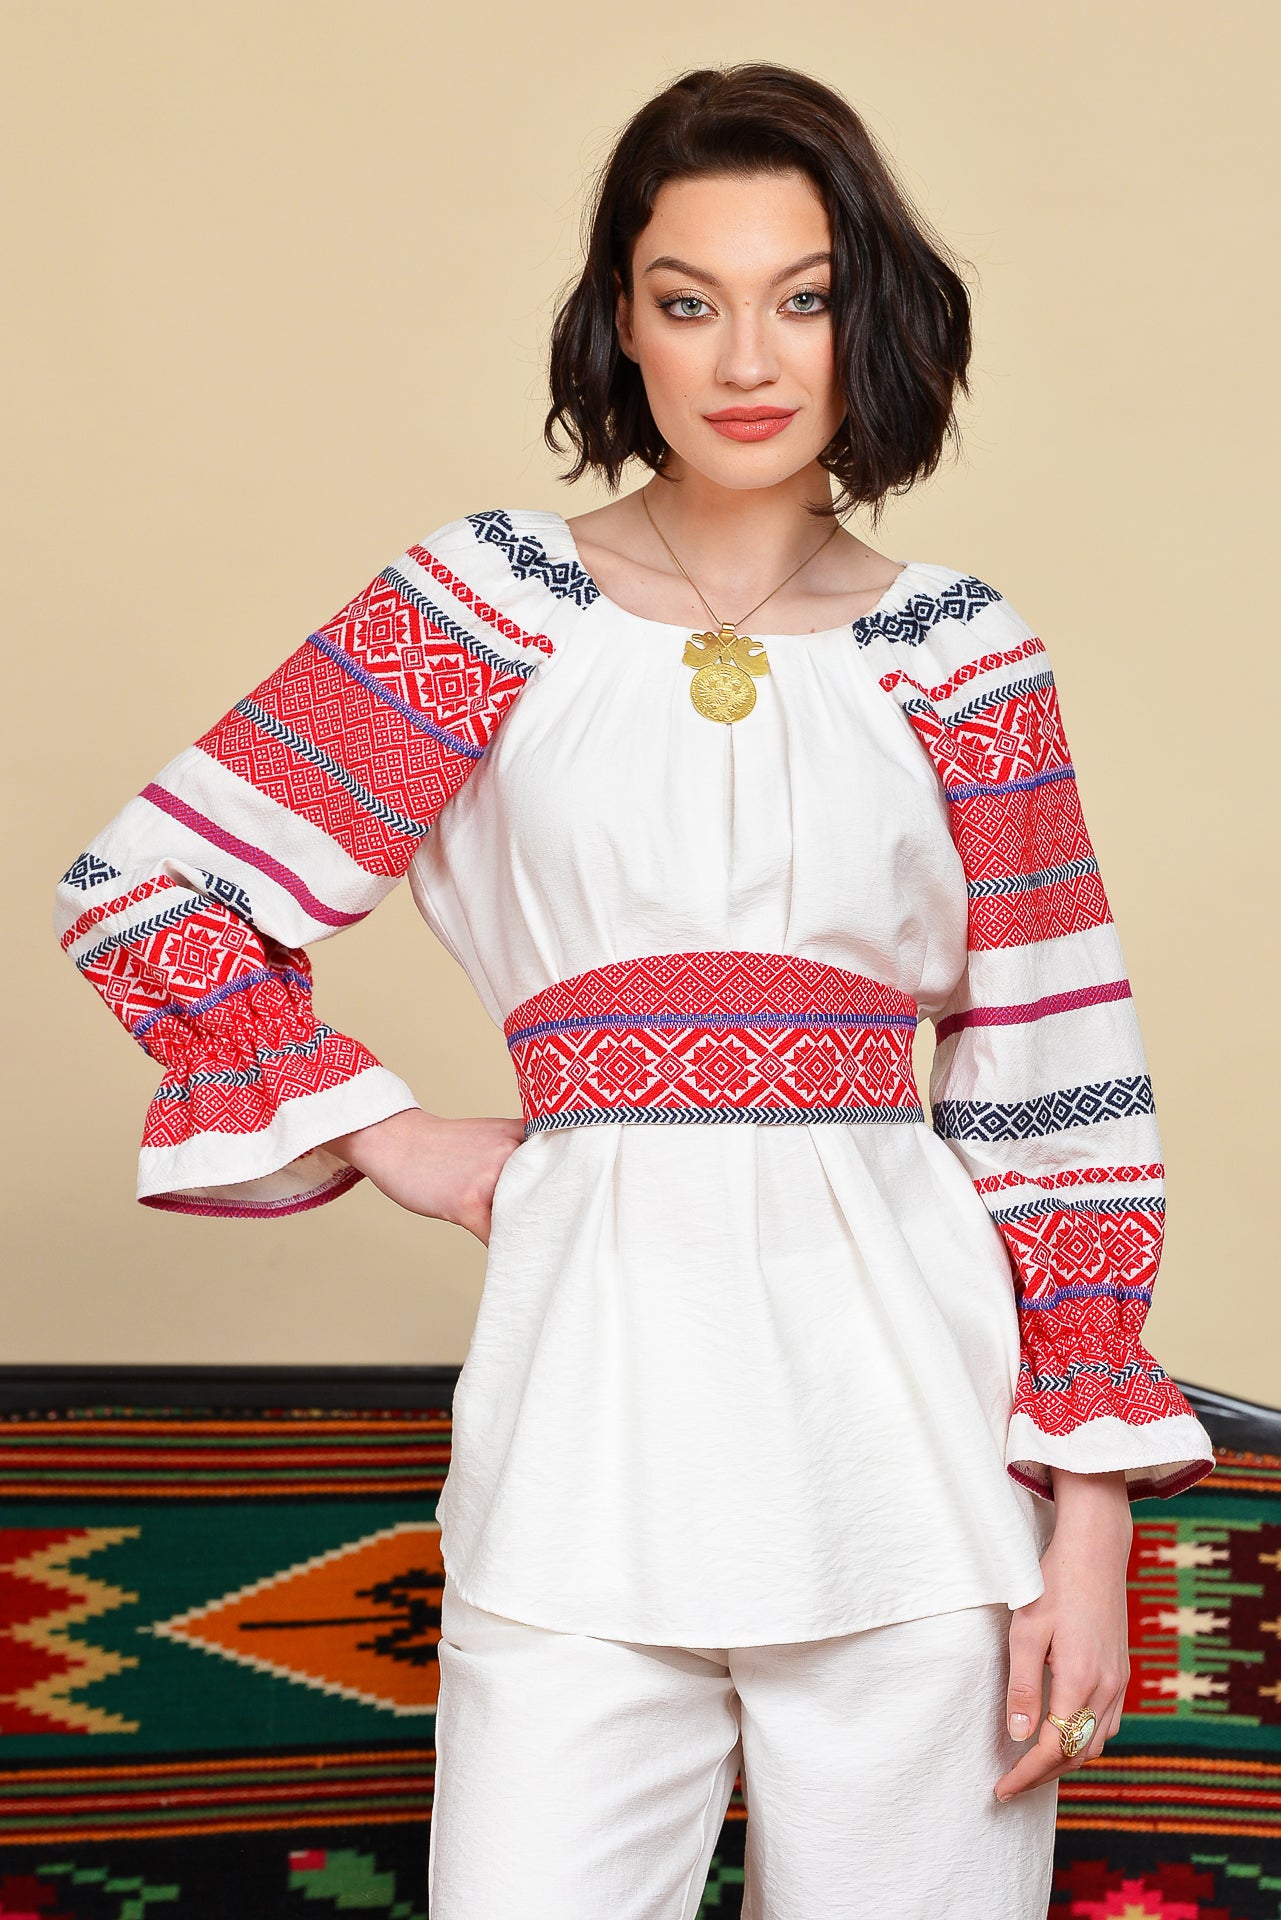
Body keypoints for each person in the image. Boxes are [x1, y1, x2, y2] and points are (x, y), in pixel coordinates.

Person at [54, 60, 1216, 1920]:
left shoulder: (961, 656)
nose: (745, 357)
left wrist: (1085, 1526)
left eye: (800, 297)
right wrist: (388, 1134)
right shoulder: (484, 609)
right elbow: (148, 888)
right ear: (621, 321)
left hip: (915, 1472)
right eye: (688, 301)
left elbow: (1054, 1076)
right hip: (579, 1447)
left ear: (867, 317)